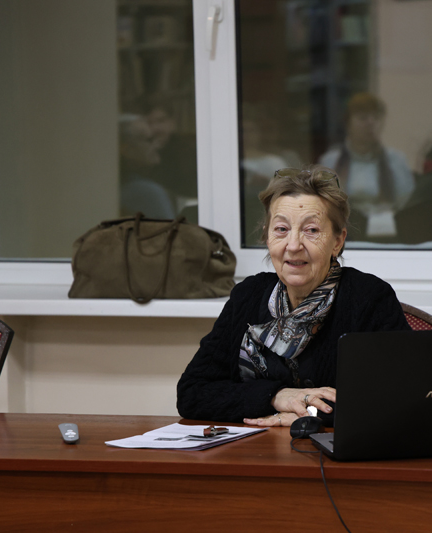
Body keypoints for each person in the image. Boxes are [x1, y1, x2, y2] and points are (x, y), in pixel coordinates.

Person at [177, 166, 411, 426]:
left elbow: (400, 398)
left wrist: (306, 414)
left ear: (337, 241)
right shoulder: (247, 296)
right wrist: (275, 396)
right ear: (267, 237)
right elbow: (192, 393)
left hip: (332, 449)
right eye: (281, 229)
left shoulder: (369, 298)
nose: (294, 245)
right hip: (258, 447)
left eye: (311, 230)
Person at [318, 93, 415, 215]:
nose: (371, 123)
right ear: (347, 124)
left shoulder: (396, 160)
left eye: (376, 118)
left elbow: (407, 203)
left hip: (387, 223)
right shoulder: (330, 161)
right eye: (363, 118)